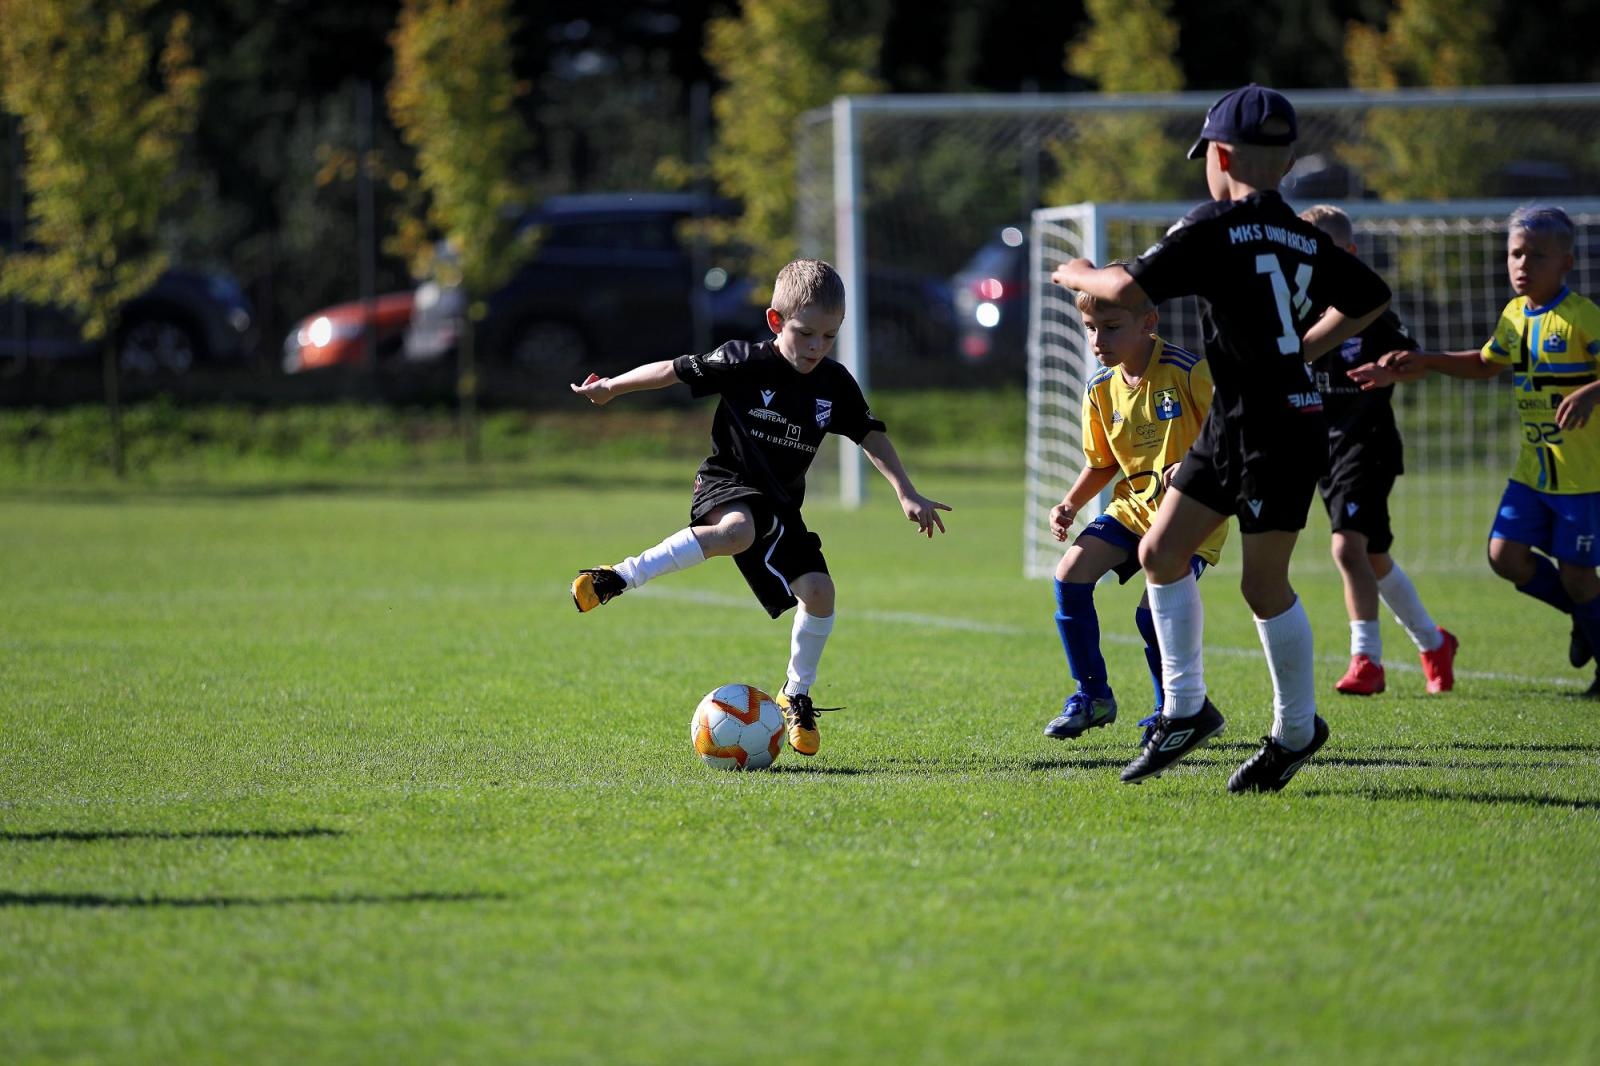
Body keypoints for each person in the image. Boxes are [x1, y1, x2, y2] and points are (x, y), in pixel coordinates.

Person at [1052, 84, 1392, 792]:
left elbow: (1121, 288)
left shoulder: (1213, 224)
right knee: (1160, 550)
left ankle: (1296, 733)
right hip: (1247, 420)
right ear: (1288, 158)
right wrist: (1302, 349)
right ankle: (1186, 709)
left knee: (1262, 585)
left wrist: (1072, 271)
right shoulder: (1300, 233)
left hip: (1271, 430)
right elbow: (1370, 299)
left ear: (1222, 156)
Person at [567, 258, 952, 755]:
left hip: (780, 508)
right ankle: (618, 576)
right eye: (806, 333)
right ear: (775, 322)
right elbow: (673, 369)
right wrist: (613, 387)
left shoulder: (834, 384)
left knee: (820, 591)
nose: (817, 347)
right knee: (736, 531)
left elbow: (869, 434)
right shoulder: (743, 361)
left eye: (829, 337)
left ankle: (796, 693)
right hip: (725, 482)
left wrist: (906, 491)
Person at [1349, 204, 1600, 697]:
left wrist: (1591, 391)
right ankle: (1586, 615)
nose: (1522, 265)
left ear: (1565, 264)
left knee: (1578, 574)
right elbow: (1486, 364)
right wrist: (1422, 360)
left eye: (1536, 256)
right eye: (1515, 254)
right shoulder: (1513, 315)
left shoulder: (1582, 318)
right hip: (1534, 469)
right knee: (1504, 556)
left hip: (1584, 475)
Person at [1042, 282, 1227, 743]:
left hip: (1192, 515)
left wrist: (1196, 462)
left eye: (1111, 327)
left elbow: (1230, 432)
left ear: (1148, 324)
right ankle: (1092, 696)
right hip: (1132, 507)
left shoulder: (1189, 372)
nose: (1098, 340)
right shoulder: (1100, 389)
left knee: (1151, 614)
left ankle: (1175, 710)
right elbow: (1101, 463)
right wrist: (1070, 503)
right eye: (1090, 329)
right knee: (1070, 574)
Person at [1299, 204, 1458, 697]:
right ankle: (1434, 641)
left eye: (1322, 250)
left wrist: (1392, 371)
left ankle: (1366, 660)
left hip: (1367, 441)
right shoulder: (1295, 308)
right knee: (1374, 555)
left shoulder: (1372, 309)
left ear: (1349, 254)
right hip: (1320, 446)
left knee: (1347, 547)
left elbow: (1416, 362)